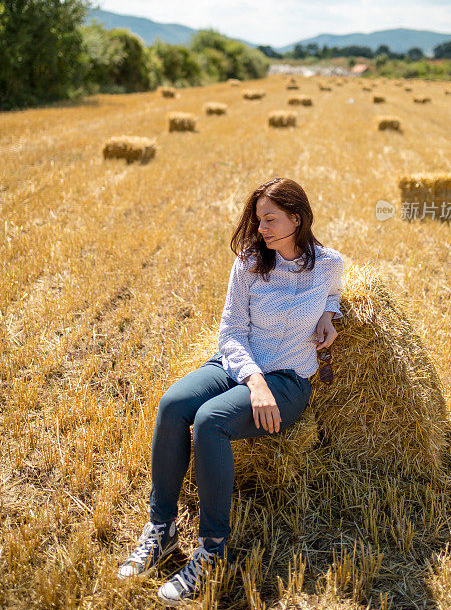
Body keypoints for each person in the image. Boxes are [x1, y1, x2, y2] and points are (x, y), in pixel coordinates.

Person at [117, 176, 344, 605]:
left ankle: (213, 550)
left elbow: (335, 291)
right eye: (258, 219)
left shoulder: (328, 263)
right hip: (239, 366)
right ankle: (161, 528)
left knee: (211, 422)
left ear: (297, 219)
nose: (261, 228)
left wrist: (329, 314)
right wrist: (253, 379)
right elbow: (231, 332)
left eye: (270, 219)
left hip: (288, 380)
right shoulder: (249, 263)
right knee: (173, 405)